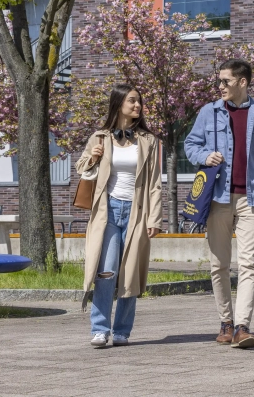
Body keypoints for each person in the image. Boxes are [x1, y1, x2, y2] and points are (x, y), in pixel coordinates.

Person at [184, 59, 254, 349]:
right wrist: (205, 156)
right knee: (219, 265)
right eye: (219, 81)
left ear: (242, 82)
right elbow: (190, 145)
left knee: (248, 264)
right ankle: (225, 323)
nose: (220, 87)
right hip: (217, 199)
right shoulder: (209, 112)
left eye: (225, 81)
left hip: (252, 200)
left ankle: (242, 327)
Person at [76, 84, 162, 347]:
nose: (137, 106)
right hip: (108, 211)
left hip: (137, 212)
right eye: (132, 101)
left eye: (139, 102)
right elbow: (81, 168)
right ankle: (100, 329)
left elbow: (155, 183)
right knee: (106, 271)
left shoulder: (149, 141)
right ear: (119, 103)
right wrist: (93, 157)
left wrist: (154, 218)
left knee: (130, 272)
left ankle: (123, 331)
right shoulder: (100, 137)